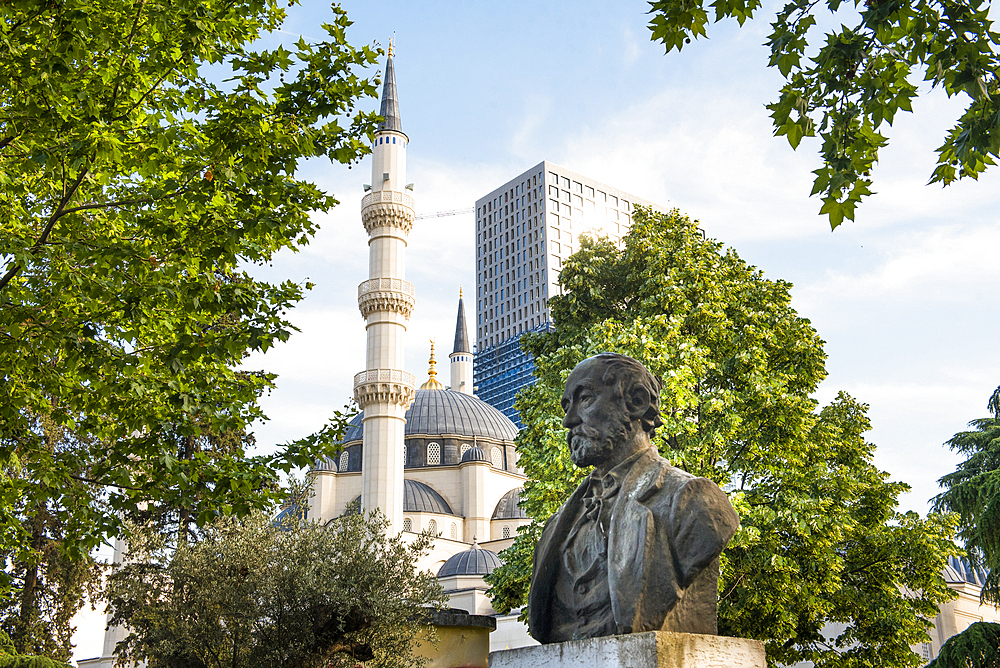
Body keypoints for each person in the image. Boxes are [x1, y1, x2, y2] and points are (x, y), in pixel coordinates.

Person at [528, 353, 739, 644]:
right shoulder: (556, 525)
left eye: (584, 399)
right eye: (566, 406)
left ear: (637, 402)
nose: (568, 420)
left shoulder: (692, 501)